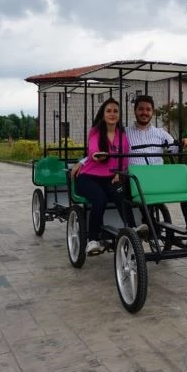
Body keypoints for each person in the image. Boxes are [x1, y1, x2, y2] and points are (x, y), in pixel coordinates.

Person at [73, 95, 187, 236]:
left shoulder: (161, 134)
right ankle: (139, 225)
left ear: (152, 112)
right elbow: (105, 148)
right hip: (135, 179)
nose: (144, 112)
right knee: (121, 189)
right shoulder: (125, 133)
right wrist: (82, 161)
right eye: (141, 109)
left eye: (148, 109)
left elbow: (175, 149)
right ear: (135, 111)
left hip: (158, 178)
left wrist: (183, 143)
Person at [74, 98, 135, 255]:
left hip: (110, 179)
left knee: (122, 195)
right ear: (103, 114)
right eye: (109, 111)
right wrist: (96, 155)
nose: (112, 114)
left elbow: (125, 158)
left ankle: (133, 231)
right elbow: (93, 150)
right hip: (88, 178)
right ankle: (92, 240)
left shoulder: (122, 136)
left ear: (120, 115)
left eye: (115, 111)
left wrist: (119, 173)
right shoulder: (95, 132)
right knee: (99, 198)